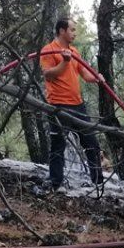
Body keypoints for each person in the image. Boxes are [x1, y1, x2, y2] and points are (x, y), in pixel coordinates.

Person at [40, 18, 106, 191]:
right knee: (58, 146)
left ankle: (98, 183)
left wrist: (97, 78)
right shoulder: (48, 50)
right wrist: (64, 61)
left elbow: (84, 73)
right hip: (58, 106)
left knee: (91, 143)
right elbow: (48, 75)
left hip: (78, 106)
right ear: (62, 31)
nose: (75, 33)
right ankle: (55, 184)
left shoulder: (74, 51)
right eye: (72, 30)